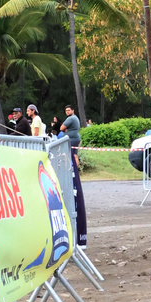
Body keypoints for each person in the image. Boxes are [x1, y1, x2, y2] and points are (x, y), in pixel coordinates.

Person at [60, 105, 88, 247]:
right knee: (75, 155)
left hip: (71, 140)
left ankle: (73, 171)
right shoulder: (75, 119)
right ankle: (75, 171)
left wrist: (62, 127)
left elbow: (61, 128)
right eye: (66, 111)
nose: (67, 112)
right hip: (75, 138)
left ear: (72, 111)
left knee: (73, 156)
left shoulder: (71, 119)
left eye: (68, 110)